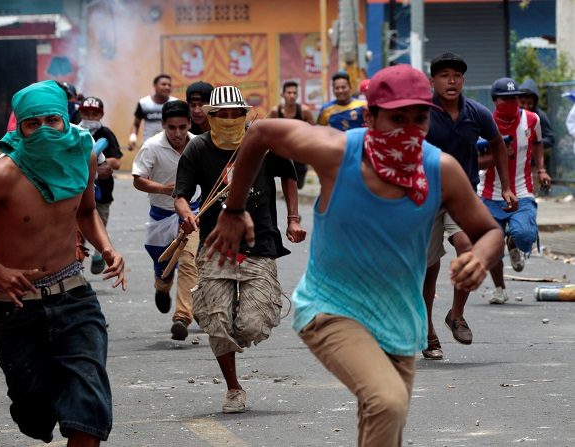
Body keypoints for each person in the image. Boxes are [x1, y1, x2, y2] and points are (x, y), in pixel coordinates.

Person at [204, 64, 504, 445]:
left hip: (399, 321)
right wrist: (232, 210)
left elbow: (490, 231)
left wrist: (479, 257)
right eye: (397, 118)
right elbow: (261, 132)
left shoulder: (440, 170)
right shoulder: (335, 153)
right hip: (332, 310)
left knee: (384, 424)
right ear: (370, 116)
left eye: (419, 118)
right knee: (388, 401)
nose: (408, 130)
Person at [0, 80, 126, 446]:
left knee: (88, 408)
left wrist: (107, 248)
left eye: (52, 120)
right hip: (17, 308)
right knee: (33, 410)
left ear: (65, 119)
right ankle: (38, 406)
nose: (43, 131)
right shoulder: (5, 173)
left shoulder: (82, 154)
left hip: (74, 296)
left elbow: (86, 211)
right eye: (32, 124)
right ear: (19, 127)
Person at [174, 85, 305, 414]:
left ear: (246, 114)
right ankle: (233, 388)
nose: (230, 119)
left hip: (259, 241)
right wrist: (186, 214)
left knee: (251, 325)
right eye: (223, 114)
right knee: (216, 322)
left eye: (237, 113)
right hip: (216, 244)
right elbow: (181, 193)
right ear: (209, 116)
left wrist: (292, 218)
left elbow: (288, 176)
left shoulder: (262, 143)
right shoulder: (197, 149)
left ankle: (256, 315)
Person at [421, 52, 517, 360]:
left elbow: (498, 146)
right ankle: (428, 332)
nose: (451, 81)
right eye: (444, 75)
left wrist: (508, 187)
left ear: (463, 80)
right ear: (432, 80)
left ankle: (457, 314)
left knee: (468, 249)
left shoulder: (477, 113)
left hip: (462, 198)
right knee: (428, 269)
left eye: (457, 76)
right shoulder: (421, 114)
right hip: (426, 198)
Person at [478, 77, 551, 305]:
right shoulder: (484, 123)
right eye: (504, 99)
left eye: (514, 98)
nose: (510, 103)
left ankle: (514, 243)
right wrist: (498, 153)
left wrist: (541, 169)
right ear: (494, 101)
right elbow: (476, 160)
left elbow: (538, 143)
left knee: (525, 235)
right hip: (489, 194)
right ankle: (500, 288)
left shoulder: (531, 119)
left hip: (522, 190)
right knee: (492, 247)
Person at [132, 100, 200, 340]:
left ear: (190, 124)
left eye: (183, 127)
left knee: (190, 262)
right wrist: (162, 189)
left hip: (191, 213)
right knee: (163, 267)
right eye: (172, 128)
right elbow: (138, 179)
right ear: (163, 125)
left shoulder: (199, 144)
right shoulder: (151, 147)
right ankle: (162, 288)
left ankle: (182, 316)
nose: (178, 133)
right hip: (161, 214)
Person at [78, 96, 124, 274]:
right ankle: (76, 268)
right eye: (86, 112)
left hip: (102, 193)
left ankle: (100, 252)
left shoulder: (105, 134)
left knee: (100, 225)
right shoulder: (74, 132)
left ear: (101, 115)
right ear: (80, 112)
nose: (90, 116)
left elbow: (116, 161)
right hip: (79, 192)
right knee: (77, 232)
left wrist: (93, 165)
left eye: (94, 113)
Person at [267, 81, 316, 189]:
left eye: (294, 93)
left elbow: (314, 132)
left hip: (299, 155)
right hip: (282, 154)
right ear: (283, 94)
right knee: (284, 184)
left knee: (299, 185)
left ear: (297, 95)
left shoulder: (304, 111)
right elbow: (267, 132)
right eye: (289, 93)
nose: (292, 96)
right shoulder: (275, 112)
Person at [128, 74, 177, 150]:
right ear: (155, 86)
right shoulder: (144, 103)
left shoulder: (175, 103)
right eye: (163, 84)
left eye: (169, 85)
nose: (167, 87)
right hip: (149, 146)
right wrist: (132, 138)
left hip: (170, 146)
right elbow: (136, 124)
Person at [519, 79, 554, 151]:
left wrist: (534, 143)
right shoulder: (514, 114)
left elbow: (550, 139)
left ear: (535, 104)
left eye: (530, 104)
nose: (526, 107)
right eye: (522, 103)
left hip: (533, 159)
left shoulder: (540, 116)